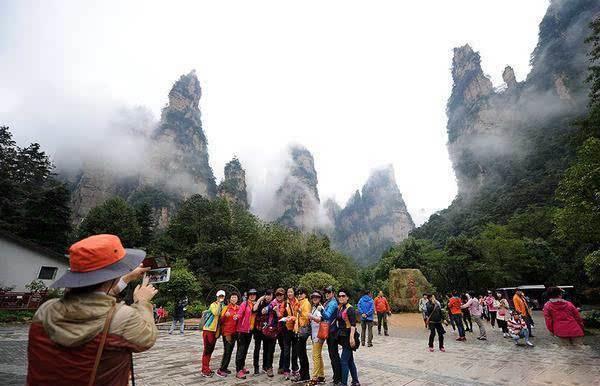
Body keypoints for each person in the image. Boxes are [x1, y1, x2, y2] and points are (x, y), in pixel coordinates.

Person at [27, 234, 158, 386]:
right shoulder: (121, 317)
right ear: (113, 275)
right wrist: (142, 302)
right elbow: (147, 338)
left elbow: (92, 299)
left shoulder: (45, 310)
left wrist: (125, 279)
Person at [337, 289, 360, 386]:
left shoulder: (350, 309)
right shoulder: (341, 307)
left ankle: (343, 383)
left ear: (347, 297)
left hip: (348, 337)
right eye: (340, 296)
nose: (341, 297)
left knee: (344, 361)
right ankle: (355, 381)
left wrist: (351, 338)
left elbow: (353, 325)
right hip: (343, 337)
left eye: (343, 296)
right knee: (350, 361)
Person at [202, 290, 226, 377]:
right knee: (207, 350)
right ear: (217, 297)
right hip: (209, 330)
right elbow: (216, 313)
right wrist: (219, 304)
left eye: (222, 296)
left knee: (210, 350)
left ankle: (207, 368)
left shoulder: (224, 306)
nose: (221, 298)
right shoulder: (213, 305)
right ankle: (204, 370)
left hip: (215, 331)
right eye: (219, 296)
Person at [234, 288, 257, 379]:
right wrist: (237, 316)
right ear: (248, 295)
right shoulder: (245, 304)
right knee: (241, 350)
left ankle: (242, 367)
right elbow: (240, 313)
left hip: (249, 331)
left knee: (245, 350)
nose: (252, 295)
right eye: (250, 294)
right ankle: (238, 370)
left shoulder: (254, 305)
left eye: (254, 294)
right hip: (242, 331)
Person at [216, 293, 240, 377]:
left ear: (237, 299)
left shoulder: (238, 308)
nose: (234, 299)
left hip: (235, 333)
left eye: (235, 297)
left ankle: (225, 367)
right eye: (232, 297)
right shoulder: (226, 308)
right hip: (227, 333)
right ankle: (221, 369)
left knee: (230, 351)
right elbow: (220, 321)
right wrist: (224, 317)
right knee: (227, 351)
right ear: (229, 299)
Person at [322, 285, 342, 385]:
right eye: (326, 292)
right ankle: (337, 376)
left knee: (334, 355)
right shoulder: (328, 302)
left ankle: (337, 378)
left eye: (329, 292)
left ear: (333, 293)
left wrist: (320, 309)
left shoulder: (333, 303)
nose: (327, 294)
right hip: (330, 331)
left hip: (332, 332)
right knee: (333, 354)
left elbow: (327, 315)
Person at [253, 289, 273, 375]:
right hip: (258, 329)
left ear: (272, 296)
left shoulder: (273, 304)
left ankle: (265, 366)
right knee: (257, 348)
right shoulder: (261, 302)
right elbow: (254, 310)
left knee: (266, 348)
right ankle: (256, 367)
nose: (268, 296)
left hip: (267, 329)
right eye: (267, 295)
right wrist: (259, 300)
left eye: (270, 295)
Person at [293, 287, 311, 382]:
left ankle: (305, 374)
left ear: (305, 294)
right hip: (298, 330)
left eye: (301, 293)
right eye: (298, 293)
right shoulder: (300, 302)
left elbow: (307, 317)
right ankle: (303, 373)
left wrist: (300, 312)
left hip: (303, 331)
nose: (299, 295)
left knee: (302, 353)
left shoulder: (306, 303)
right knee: (301, 353)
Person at [308, 291, 326, 385]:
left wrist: (311, 317)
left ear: (320, 298)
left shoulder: (319, 308)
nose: (315, 298)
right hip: (315, 335)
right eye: (313, 297)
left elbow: (320, 319)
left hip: (318, 335)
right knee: (318, 355)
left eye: (317, 297)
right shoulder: (314, 307)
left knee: (315, 356)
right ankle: (321, 375)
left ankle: (314, 378)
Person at [282, 287, 299, 379]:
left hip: (296, 329)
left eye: (291, 292)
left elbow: (300, 315)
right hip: (287, 329)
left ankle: (295, 369)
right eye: (288, 292)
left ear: (294, 293)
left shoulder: (298, 302)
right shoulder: (285, 303)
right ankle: (286, 370)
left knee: (295, 351)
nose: (289, 293)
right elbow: (281, 314)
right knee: (286, 351)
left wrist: (294, 318)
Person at [271, 288, 287, 375]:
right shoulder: (272, 303)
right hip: (273, 329)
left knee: (284, 348)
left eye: (281, 295)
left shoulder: (285, 304)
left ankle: (282, 367)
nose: (279, 296)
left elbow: (282, 316)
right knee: (271, 349)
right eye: (277, 295)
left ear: (284, 295)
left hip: (282, 329)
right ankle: (268, 367)